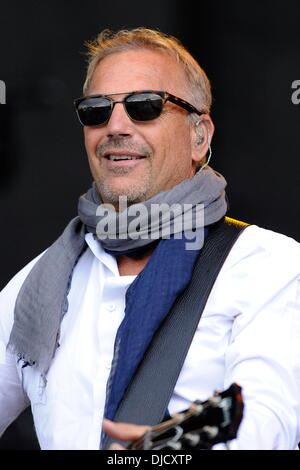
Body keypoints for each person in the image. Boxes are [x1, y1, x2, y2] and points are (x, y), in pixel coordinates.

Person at [0, 27, 300, 451]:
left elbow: (265, 429)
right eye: (96, 110)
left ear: (200, 136)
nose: (116, 125)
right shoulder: (39, 282)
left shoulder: (270, 266)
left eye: (144, 106)